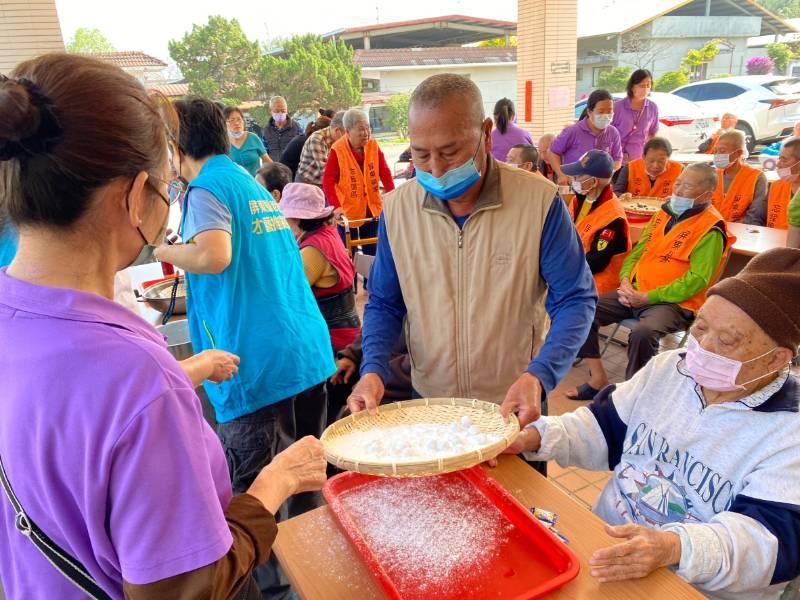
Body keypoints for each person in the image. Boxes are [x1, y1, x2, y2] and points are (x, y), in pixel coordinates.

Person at [0, 54, 328, 600]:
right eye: (164, 190)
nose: (170, 201)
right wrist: (275, 484)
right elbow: (184, 589)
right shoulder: (139, 379)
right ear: (132, 196)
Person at [507, 248, 800, 599]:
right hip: (607, 548)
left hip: (691, 588)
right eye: (701, 327)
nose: (702, 348)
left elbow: (768, 542)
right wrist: (533, 436)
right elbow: (603, 429)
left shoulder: (789, 432)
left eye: (726, 341)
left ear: (777, 359)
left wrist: (673, 547)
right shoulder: (669, 369)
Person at [346, 74, 597, 449]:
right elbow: (384, 301)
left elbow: (576, 299)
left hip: (512, 402)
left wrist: (540, 375)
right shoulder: (398, 209)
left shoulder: (538, 202)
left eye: (450, 152)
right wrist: (373, 369)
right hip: (431, 403)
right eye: (420, 154)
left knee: (518, 505)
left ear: (485, 133)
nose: (435, 168)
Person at [567, 162, 733, 400]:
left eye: (687, 186)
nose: (677, 190)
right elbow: (638, 251)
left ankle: (635, 394)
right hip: (634, 291)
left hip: (673, 303)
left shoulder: (711, 228)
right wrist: (625, 280)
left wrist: (648, 297)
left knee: (643, 333)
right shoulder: (664, 213)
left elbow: (698, 280)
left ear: (706, 194)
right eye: (678, 182)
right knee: (581, 311)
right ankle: (597, 378)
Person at [280, 183, 360, 352]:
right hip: (349, 333)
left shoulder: (312, 250)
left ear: (296, 218)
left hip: (332, 339)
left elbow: (287, 293)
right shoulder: (328, 233)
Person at [322, 108, 395, 256]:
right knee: (350, 254)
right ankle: (352, 279)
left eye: (368, 128)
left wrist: (392, 194)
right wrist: (336, 207)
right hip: (348, 211)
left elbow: (384, 171)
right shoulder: (338, 150)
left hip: (372, 209)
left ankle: (372, 280)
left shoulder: (373, 144)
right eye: (361, 130)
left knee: (374, 254)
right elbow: (328, 181)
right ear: (347, 131)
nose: (366, 133)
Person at [563, 150, 631, 296]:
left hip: (595, 285)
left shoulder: (614, 217)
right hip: (575, 269)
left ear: (594, 182)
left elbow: (596, 262)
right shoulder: (579, 199)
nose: (573, 179)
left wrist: (560, 270)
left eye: (578, 176)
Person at [550, 89, 623, 185]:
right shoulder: (573, 131)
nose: (606, 116)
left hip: (600, 186)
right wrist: (561, 175)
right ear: (589, 111)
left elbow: (617, 159)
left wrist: (607, 172)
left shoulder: (613, 132)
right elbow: (553, 152)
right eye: (601, 112)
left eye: (609, 111)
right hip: (575, 184)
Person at [710, 130, 767, 224]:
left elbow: (755, 216)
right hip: (712, 229)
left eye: (722, 151)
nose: (717, 155)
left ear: (738, 153)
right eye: (715, 151)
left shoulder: (756, 177)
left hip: (742, 230)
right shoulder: (713, 174)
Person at [747, 136, 800, 228]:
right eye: (779, 158)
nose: (778, 164)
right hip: (771, 240)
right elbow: (758, 218)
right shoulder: (776, 186)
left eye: (784, 159)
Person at [612, 69, 660, 164]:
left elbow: (652, 134)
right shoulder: (617, 107)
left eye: (648, 85)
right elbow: (608, 135)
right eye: (642, 86)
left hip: (640, 160)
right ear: (632, 87)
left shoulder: (652, 107)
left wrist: (650, 154)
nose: (645, 89)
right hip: (617, 159)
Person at [614, 137, 683, 199]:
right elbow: (616, 192)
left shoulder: (680, 170)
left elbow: (687, 197)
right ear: (643, 157)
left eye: (661, 161)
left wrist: (676, 201)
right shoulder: (630, 167)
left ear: (668, 158)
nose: (655, 166)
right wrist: (622, 196)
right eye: (651, 161)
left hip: (664, 211)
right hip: (634, 210)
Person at [295, 110, 345, 186]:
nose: (348, 138)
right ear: (337, 130)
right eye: (346, 134)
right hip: (307, 184)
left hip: (322, 182)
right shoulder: (318, 139)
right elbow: (326, 170)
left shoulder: (338, 138)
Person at [224, 106, 271, 177]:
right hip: (234, 185)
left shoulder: (253, 138)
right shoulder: (223, 142)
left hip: (255, 184)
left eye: (239, 119)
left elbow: (267, 162)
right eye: (232, 120)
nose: (236, 123)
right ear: (225, 123)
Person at [280, 114, 331, 179]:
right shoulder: (312, 141)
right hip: (287, 177)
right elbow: (322, 168)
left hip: (289, 174)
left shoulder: (304, 137)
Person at [262, 96, 300, 163]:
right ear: (271, 111)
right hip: (274, 169)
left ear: (287, 110)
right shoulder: (266, 130)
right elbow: (264, 152)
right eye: (277, 111)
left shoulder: (297, 127)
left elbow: (303, 149)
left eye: (283, 111)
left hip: (292, 169)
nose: (280, 113)